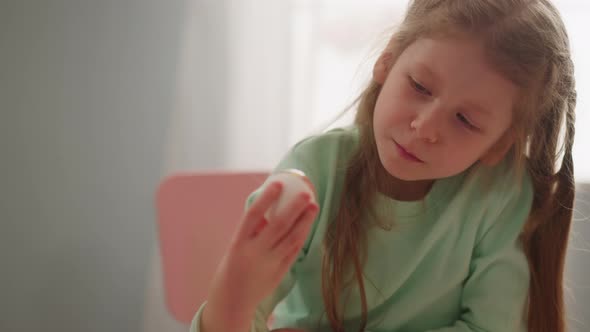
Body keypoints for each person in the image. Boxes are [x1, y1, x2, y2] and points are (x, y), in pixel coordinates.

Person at [194, 0, 577, 331]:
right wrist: (233, 298)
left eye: (465, 120)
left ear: (499, 144)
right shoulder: (316, 169)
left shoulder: (499, 196)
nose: (424, 128)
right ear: (388, 59)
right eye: (420, 87)